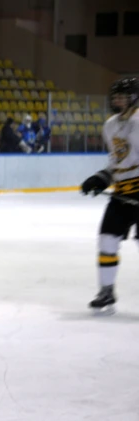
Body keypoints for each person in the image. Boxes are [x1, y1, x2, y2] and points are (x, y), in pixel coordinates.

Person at [81, 78, 139, 313]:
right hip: (123, 191)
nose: (117, 100)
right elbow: (117, 162)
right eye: (115, 96)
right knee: (107, 239)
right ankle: (106, 292)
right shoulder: (110, 125)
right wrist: (102, 177)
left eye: (122, 96)